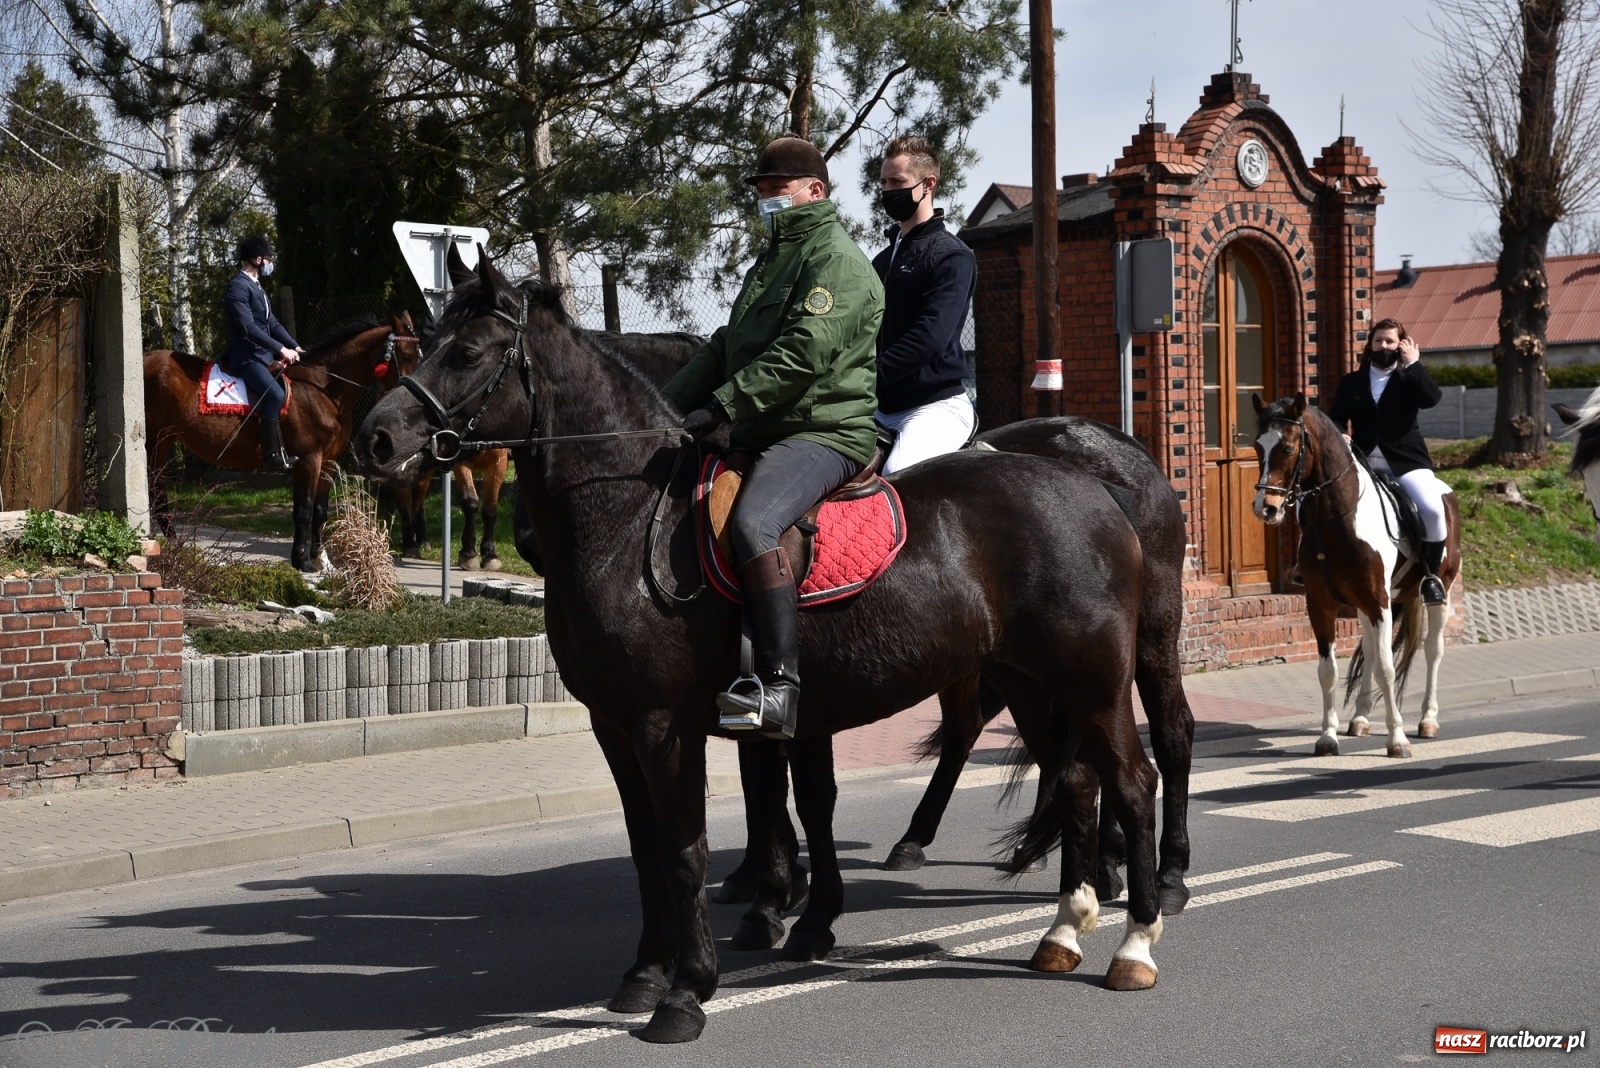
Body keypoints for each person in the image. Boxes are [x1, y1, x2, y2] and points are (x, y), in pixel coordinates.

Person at [663, 136, 884, 739]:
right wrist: (666, 407)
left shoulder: (834, 259)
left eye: (775, 189)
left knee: (753, 522)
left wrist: (724, 405)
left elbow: (804, 351)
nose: (765, 199)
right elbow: (725, 344)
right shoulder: (773, 259)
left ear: (815, 191)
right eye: (760, 191)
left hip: (824, 431)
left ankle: (779, 686)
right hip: (766, 429)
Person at [871, 136, 978, 474]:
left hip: (935, 408)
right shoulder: (881, 260)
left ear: (928, 184)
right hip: (879, 407)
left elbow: (929, 338)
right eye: (884, 182)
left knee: (896, 476)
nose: (888, 191)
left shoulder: (952, 256)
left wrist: (868, 375)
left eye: (897, 182)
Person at [1326, 318, 1452, 604]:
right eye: (1379, 340)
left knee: (1432, 510)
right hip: (1363, 461)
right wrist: (1340, 433)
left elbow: (1432, 398)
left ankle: (1431, 577)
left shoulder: (1409, 377)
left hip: (1407, 462)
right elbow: (1335, 415)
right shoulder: (1352, 381)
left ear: (1401, 345)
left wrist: (1413, 364)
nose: (1384, 346)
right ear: (1371, 344)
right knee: (1324, 498)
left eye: (1390, 341)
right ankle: (1315, 564)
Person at [222, 234, 302, 473]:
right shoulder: (237, 287)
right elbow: (249, 328)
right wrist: (280, 349)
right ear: (258, 259)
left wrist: (294, 346)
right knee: (275, 395)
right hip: (246, 356)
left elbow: (273, 323)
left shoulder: (257, 287)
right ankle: (270, 457)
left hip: (262, 356)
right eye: (268, 258)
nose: (270, 263)